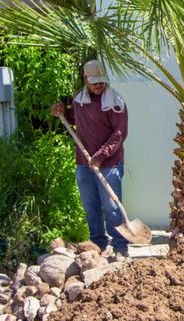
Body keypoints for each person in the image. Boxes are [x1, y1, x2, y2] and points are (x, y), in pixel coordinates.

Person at [51, 59, 129, 256]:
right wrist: (63, 111)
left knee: (111, 207)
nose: (99, 86)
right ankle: (98, 243)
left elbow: (119, 134)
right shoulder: (79, 100)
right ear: (85, 79)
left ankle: (120, 245)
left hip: (109, 163)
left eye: (102, 82)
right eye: (95, 83)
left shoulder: (115, 102)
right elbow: (74, 119)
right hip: (84, 163)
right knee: (90, 206)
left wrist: (101, 155)